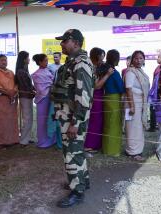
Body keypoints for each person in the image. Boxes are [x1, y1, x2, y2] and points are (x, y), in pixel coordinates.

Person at [52, 29, 94, 208]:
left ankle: (77, 191)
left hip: (72, 119)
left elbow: (84, 98)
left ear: (76, 43)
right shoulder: (72, 62)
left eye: (64, 41)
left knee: (72, 154)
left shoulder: (81, 64)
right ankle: (82, 180)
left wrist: (75, 124)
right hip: (68, 117)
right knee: (76, 152)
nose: (61, 44)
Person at [125, 50, 150, 161]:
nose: (139, 60)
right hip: (132, 103)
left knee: (138, 127)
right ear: (132, 60)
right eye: (136, 58)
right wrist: (132, 106)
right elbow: (128, 88)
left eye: (141, 58)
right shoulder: (130, 72)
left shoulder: (140, 72)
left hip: (140, 102)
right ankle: (133, 152)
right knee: (132, 127)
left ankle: (137, 150)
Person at [0, 54, 19, 147]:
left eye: (5, 60)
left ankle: (13, 139)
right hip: (1, 99)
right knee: (2, 121)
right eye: (2, 60)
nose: (4, 62)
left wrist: (14, 92)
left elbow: (16, 84)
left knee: (12, 120)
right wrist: (8, 93)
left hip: (12, 100)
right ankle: (2, 142)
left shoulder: (11, 72)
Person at [101, 50, 125, 157]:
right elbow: (121, 88)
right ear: (116, 59)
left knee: (107, 123)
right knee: (114, 125)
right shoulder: (115, 72)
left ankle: (106, 148)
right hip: (114, 98)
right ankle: (113, 150)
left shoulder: (104, 70)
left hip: (106, 98)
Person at [31, 53, 56, 148]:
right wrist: (50, 86)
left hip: (50, 98)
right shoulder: (36, 74)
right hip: (43, 100)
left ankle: (52, 139)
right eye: (45, 60)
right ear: (40, 62)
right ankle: (42, 141)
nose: (47, 62)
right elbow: (40, 89)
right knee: (42, 121)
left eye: (47, 60)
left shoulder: (49, 70)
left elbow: (52, 82)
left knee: (51, 119)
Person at [84, 48, 105, 154]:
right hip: (95, 96)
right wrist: (108, 75)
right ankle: (89, 145)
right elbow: (96, 86)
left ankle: (96, 144)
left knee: (98, 120)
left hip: (99, 96)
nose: (103, 58)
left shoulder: (97, 66)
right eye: (102, 55)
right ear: (97, 56)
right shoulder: (92, 67)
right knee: (94, 121)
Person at [15, 51, 36, 146]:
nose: (29, 59)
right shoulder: (21, 72)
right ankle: (23, 140)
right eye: (28, 58)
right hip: (25, 97)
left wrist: (34, 89)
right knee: (27, 119)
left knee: (29, 118)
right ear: (24, 59)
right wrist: (33, 91)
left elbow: (29, 85)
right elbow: (25, 86)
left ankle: (26, 138)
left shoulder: (24, 70)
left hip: (28, 96)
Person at [148, 51, 161, 132]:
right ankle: (154, 125)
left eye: (159, 57)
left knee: (153, 108)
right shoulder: (159, 67)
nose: (157, 58)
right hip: (156, 92)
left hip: (158, 93)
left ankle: (153, 125)